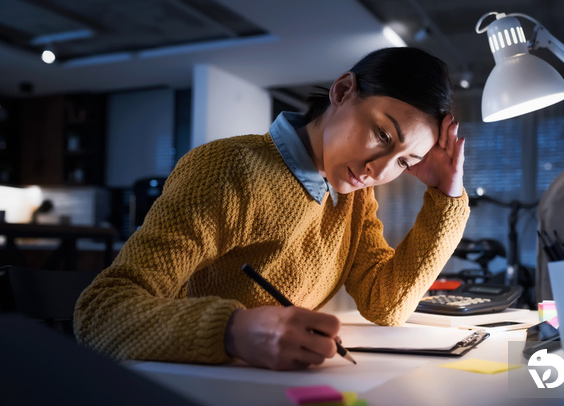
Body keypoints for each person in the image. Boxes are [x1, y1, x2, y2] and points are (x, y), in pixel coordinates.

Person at [74, 47, 470, 371]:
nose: (379, 170)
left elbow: (386, 304)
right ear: (343, 90)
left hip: (267, 396)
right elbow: (99, 315)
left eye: (404, 161)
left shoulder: (352, 196)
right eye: (382, 134)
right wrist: (233, 331)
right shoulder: (228, 169)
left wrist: (446, 197)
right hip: (182, 395)